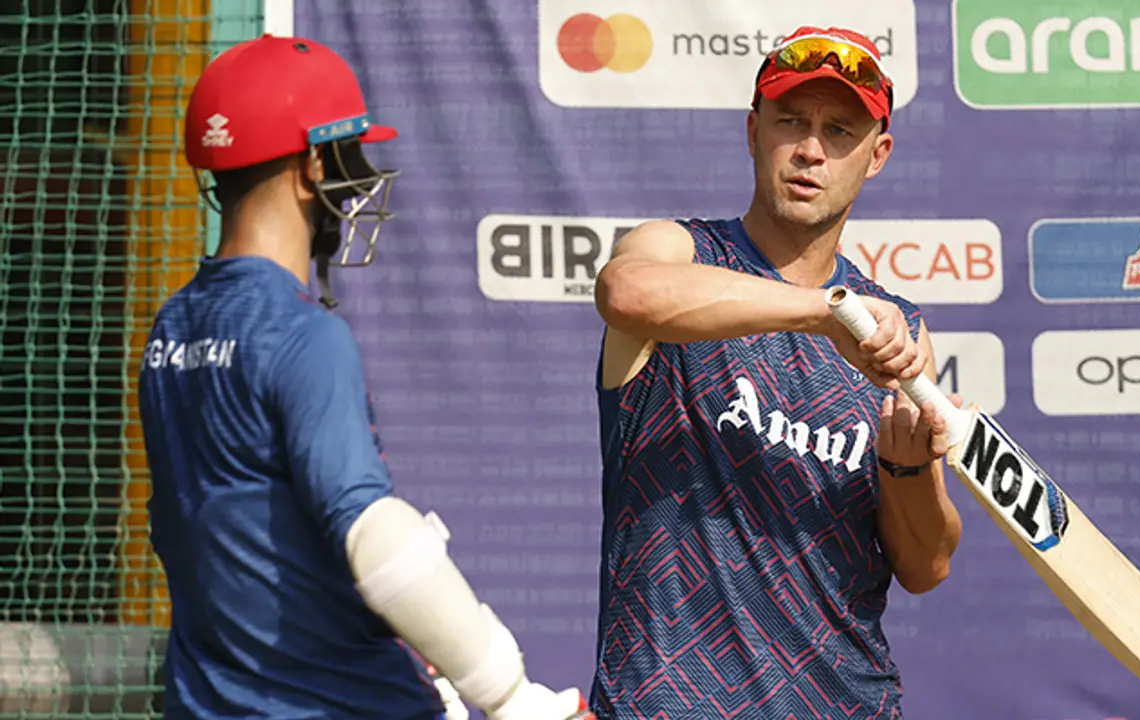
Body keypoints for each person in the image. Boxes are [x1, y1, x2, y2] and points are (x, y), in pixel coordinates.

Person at [137, 34, 591, 720]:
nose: (360, 180)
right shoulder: (302, 336)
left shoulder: (170, 331)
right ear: (313, 164)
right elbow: (375, 533)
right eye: (350, 154)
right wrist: (512, 698)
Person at [590, 26, 965, 718]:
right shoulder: (678, 248)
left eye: (840, 130)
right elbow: (627, 292)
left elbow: (925, 566)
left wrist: (907, 467)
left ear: (876, 156)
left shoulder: (900, 331)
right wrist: (823, 312)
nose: (811, 149)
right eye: (791, 120)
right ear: (753, 131)